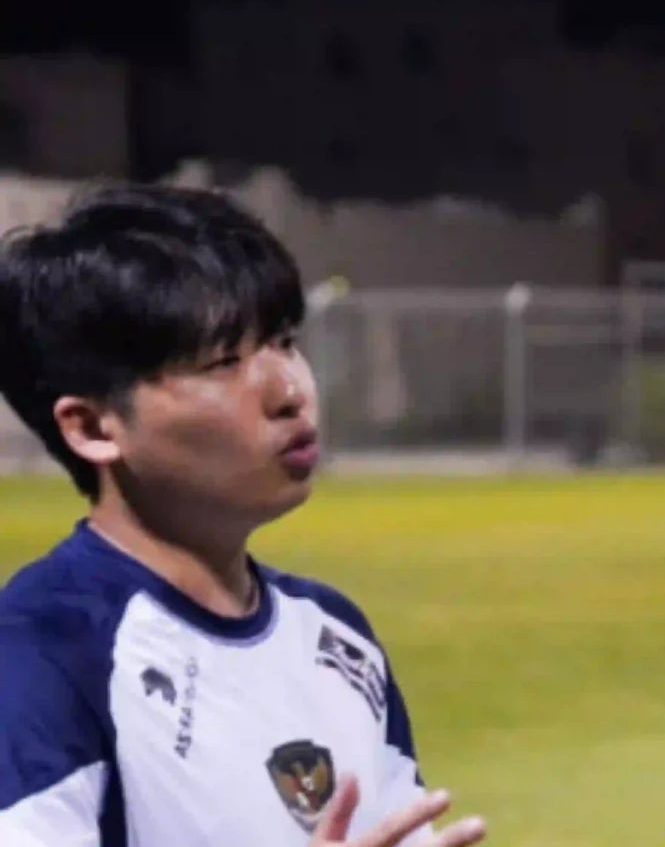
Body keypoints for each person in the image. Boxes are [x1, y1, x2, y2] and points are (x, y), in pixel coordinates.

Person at [0, 185, 486, 847]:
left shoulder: (335, 635)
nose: (290, 390)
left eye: (284, 342)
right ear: (92, 426)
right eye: (223, 363)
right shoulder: (40, 654)